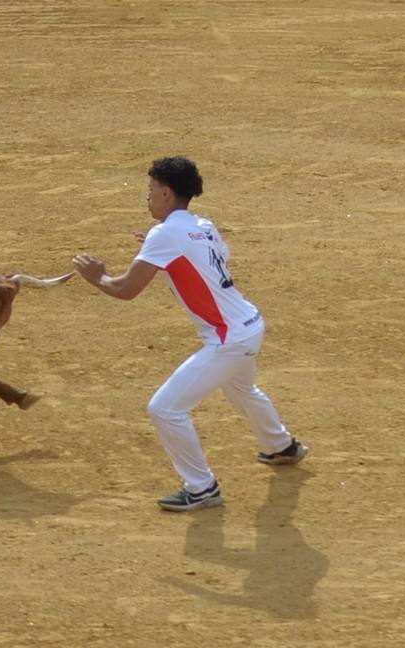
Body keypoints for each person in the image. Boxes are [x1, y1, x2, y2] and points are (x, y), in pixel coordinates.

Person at [72, 156, 308, 512]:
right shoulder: (203, 225)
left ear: (166, 193)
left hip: (228, 339)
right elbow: (205, 256)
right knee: (242, 388)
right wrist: (154, 248)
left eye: (151, 190)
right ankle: (281, 446)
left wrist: (98, 276)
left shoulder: (165, 234)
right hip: (250, 323)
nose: (147, 197)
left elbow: (125, 289)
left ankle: (202, 488)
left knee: (164, 409)